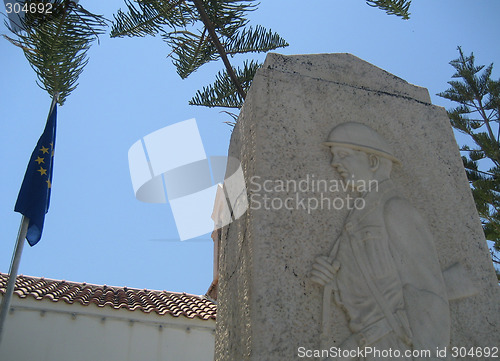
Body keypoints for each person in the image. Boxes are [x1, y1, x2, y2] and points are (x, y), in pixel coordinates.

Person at [311, 122, 450, 361]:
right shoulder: (361, 212)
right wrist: (334, 279)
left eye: (343, 155)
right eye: (334, 157)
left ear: (373, 162)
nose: (334, 164)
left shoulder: (394, 208)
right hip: (369, 346)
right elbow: (374, 277)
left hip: (397, 345)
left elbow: (428, 292)